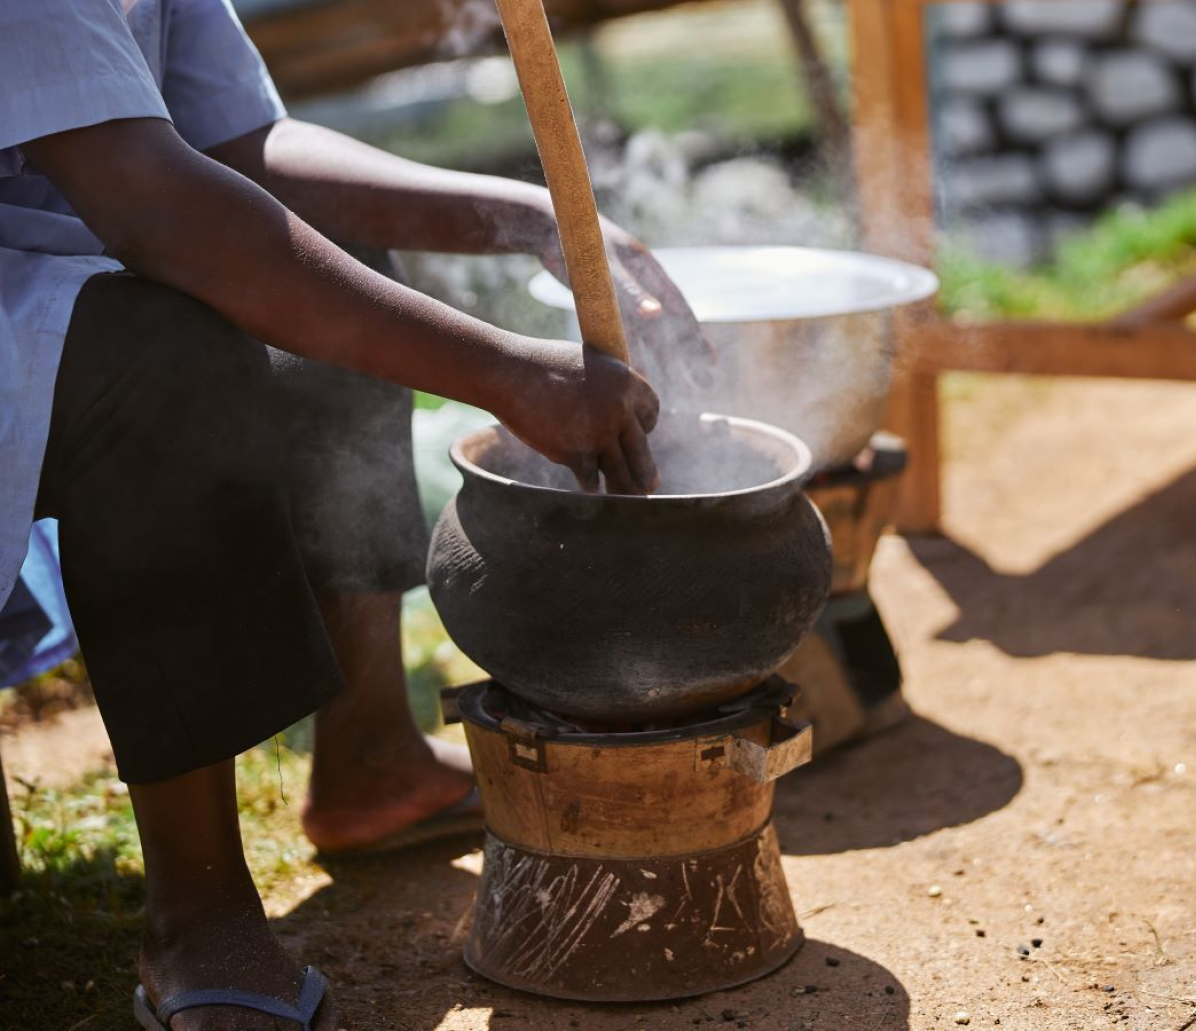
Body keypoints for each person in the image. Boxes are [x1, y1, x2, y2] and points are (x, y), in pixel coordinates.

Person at [0, 1, 708, 1027]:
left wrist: (528, 211)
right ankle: (197, 912)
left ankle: (371, 760)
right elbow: (155, 201)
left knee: (342, 258)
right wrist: (506, 371)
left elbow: (241, 139)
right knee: (167, 355)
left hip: (64, 267)